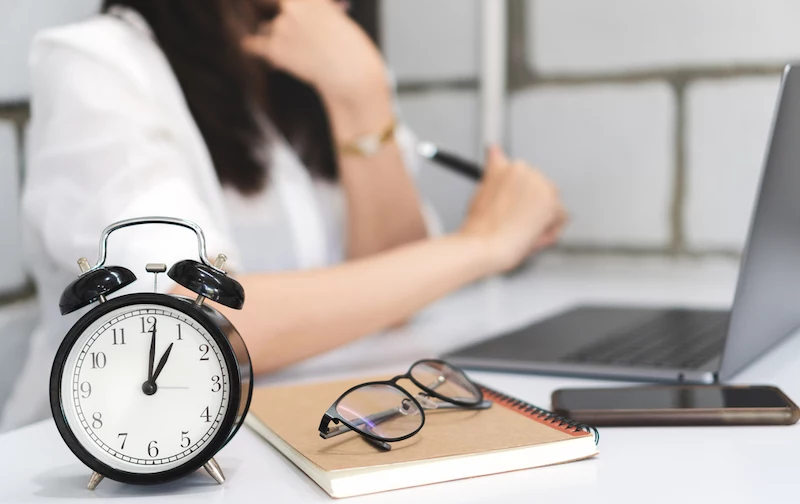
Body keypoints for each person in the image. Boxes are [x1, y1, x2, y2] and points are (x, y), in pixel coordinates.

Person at [0, 0, 566, 431]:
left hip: (311, 427)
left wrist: (362, 97)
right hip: (128, 450)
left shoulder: (321, 72)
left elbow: (397, 299)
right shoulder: (98, 62)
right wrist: (483, 244)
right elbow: (190, 323)